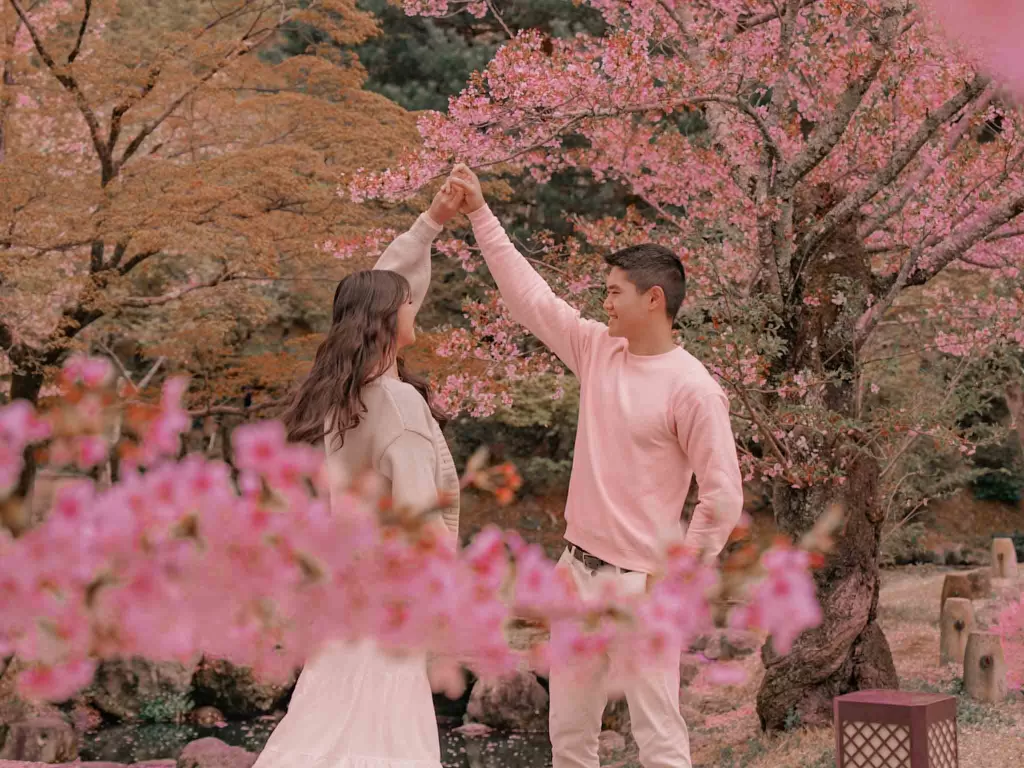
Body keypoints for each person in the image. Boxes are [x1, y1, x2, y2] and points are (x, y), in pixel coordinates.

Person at [447, 165, 744, 768]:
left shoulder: (693, 389)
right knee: (570, 738)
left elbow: (723, 497)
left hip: (641, 585)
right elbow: (529, 298)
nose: (603, 302)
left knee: (658, 737)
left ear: (653, 299)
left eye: (614, 292)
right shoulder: (597, 350)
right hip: (576, 570)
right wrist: (480, 212)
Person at [252, 183, 464, 768]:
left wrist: (431, 222)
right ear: (385, 321)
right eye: (407, 304)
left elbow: (377, 289)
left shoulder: (345, 398)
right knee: (390, 737)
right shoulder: (398, 404)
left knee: (326, 721)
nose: (414, 305)